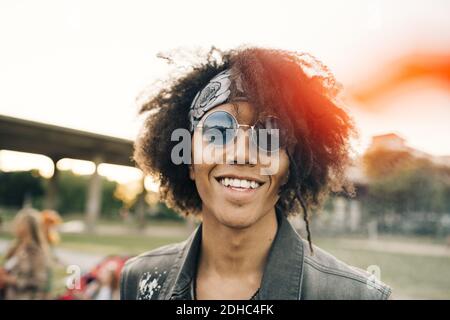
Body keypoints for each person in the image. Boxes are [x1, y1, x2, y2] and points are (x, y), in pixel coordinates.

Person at [120, 47, 392, 300]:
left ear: (289, 169)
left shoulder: (354, 295)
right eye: (217, 131)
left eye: (269, 136)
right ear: (190, 160)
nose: (242, 154)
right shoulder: (139, 280)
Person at [0, 208, 52, 299]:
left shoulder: (36, 252)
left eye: (18, 222)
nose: (14, 225)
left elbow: (40, 282)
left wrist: (12, 280)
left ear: (27, 226)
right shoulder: (14, 247)